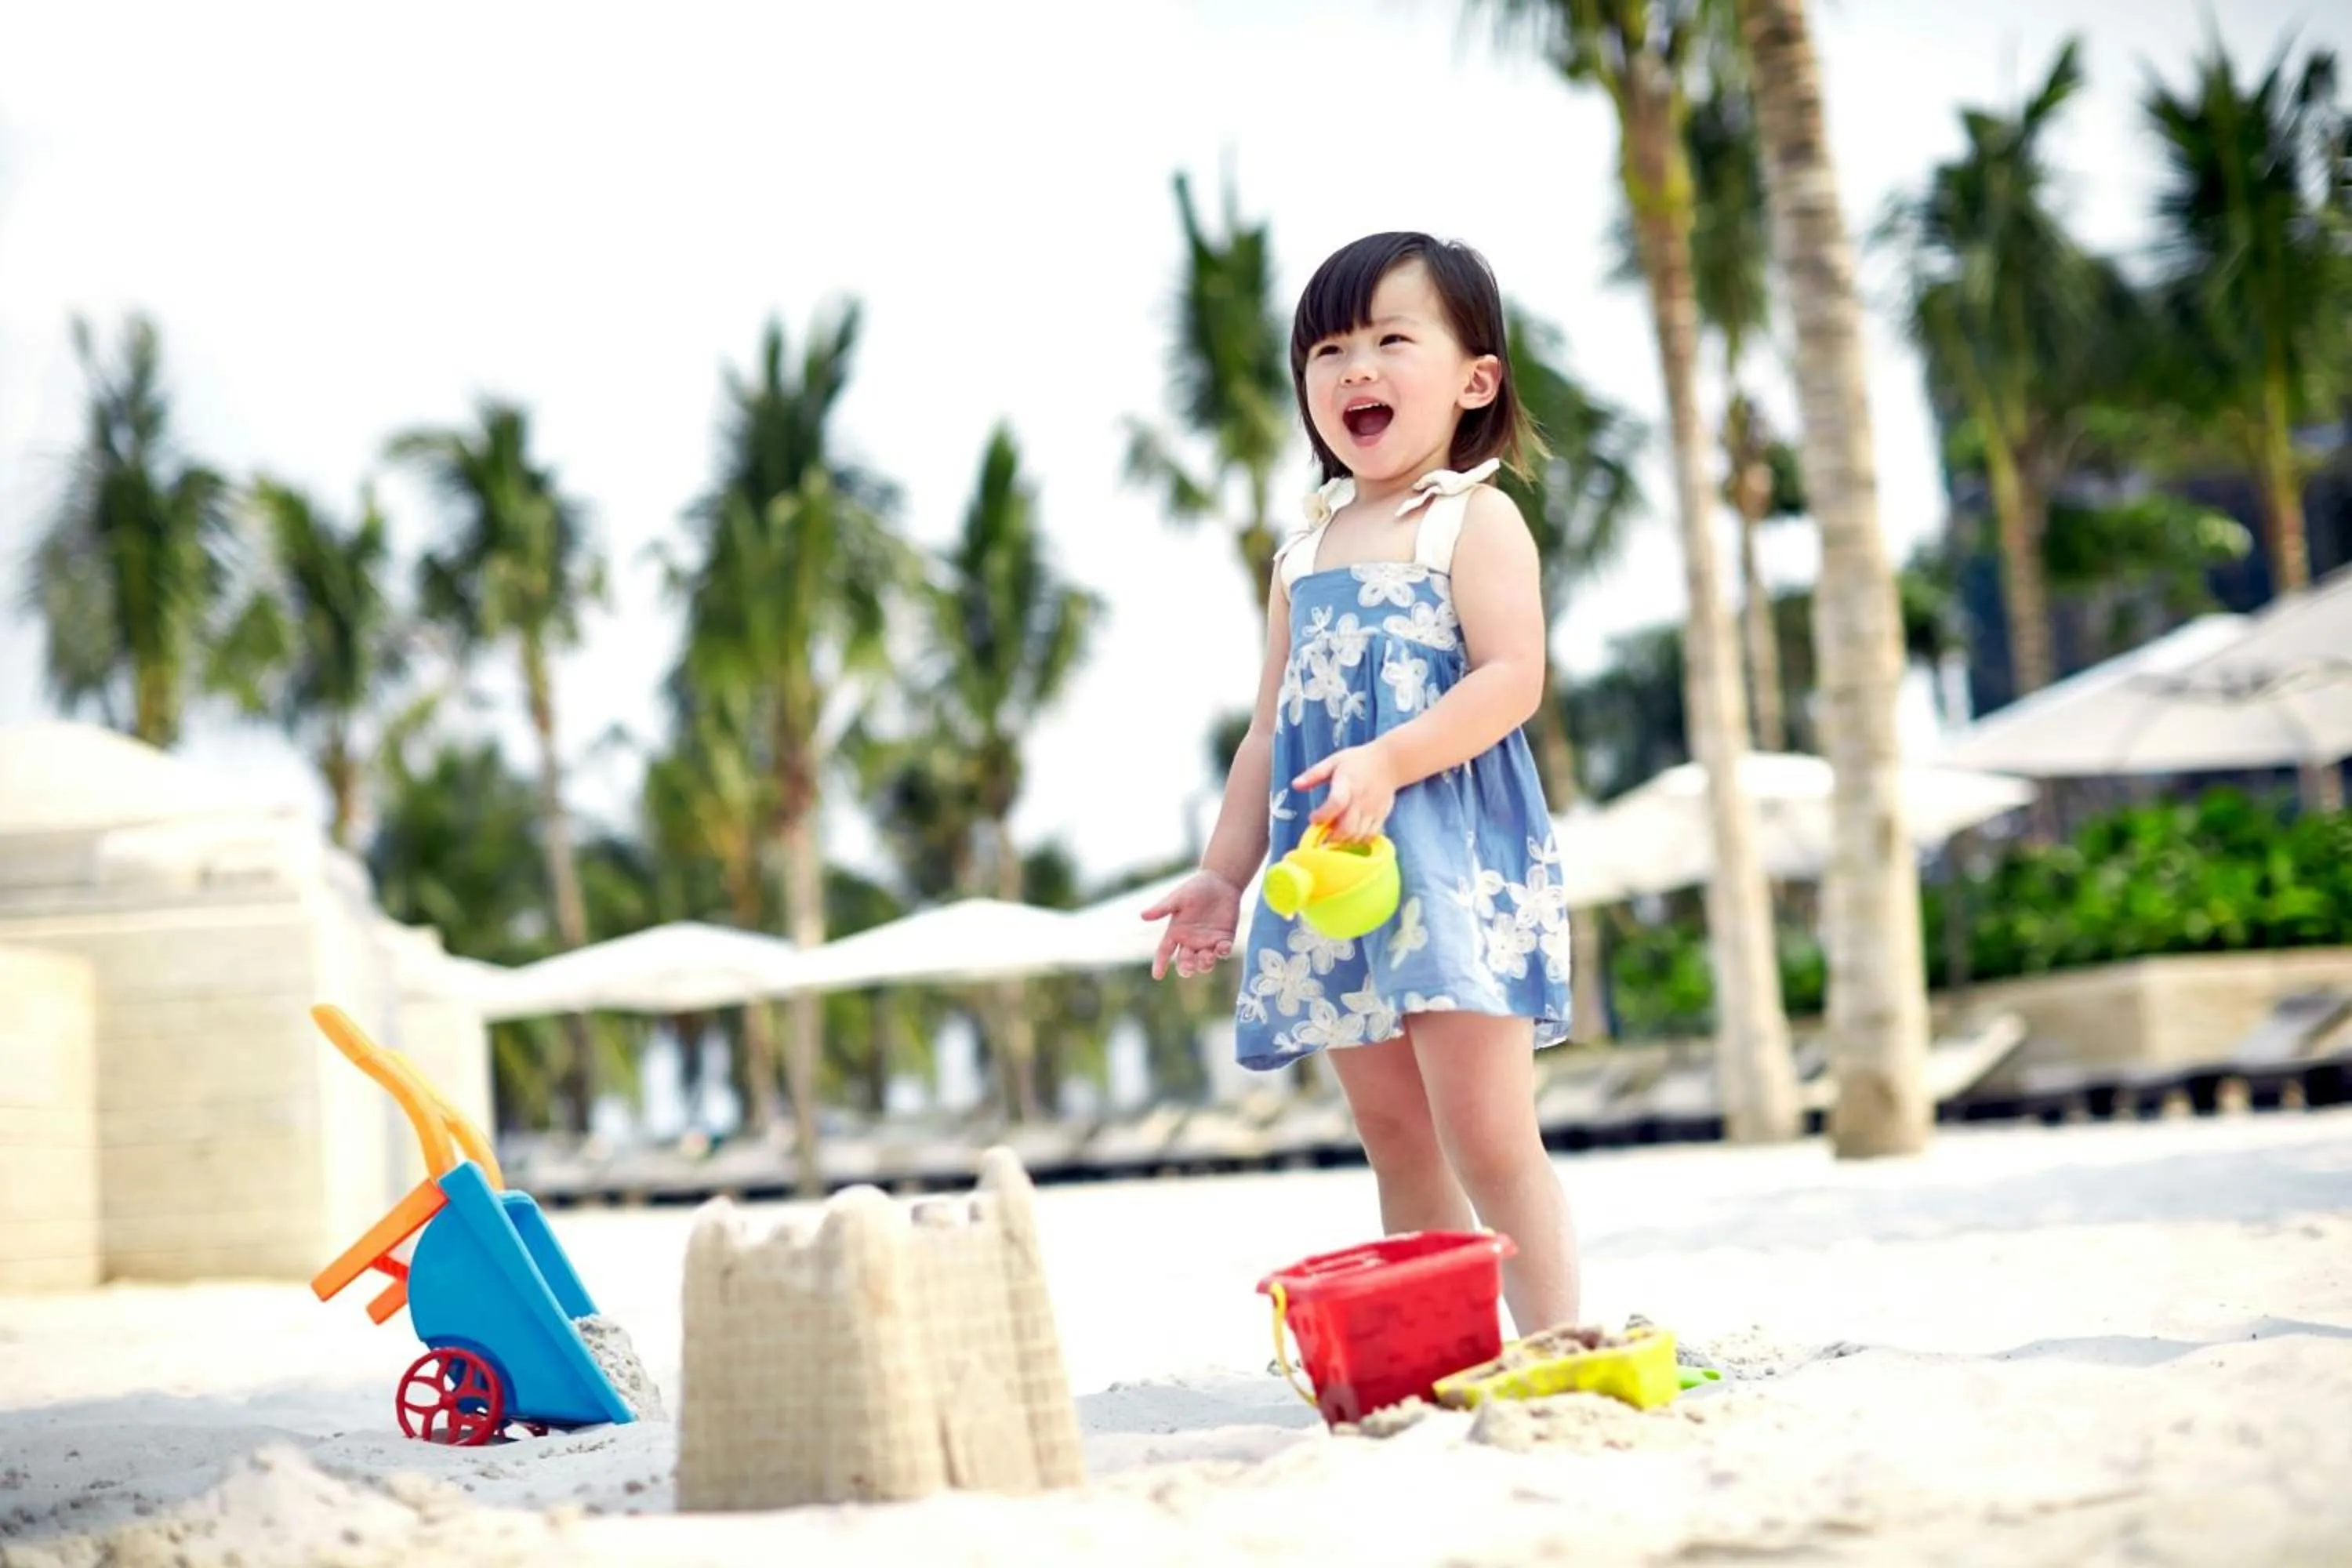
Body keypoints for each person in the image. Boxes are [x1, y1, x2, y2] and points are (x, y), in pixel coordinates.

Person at [1143, 230, 1580, 1337]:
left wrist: (1392, 757)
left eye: (1393, 338)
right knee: (1396, 1132)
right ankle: (1442, 1346)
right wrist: (1221, 877)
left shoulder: (1471, 518)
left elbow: (1514, 677)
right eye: (1328, 349)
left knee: (1485, 1130)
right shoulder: (1303, 553)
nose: (1355, 370)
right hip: (1334, 872)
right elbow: (1265, 733)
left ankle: (1555, 1337)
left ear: (1475, 379)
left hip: (1450, 858)